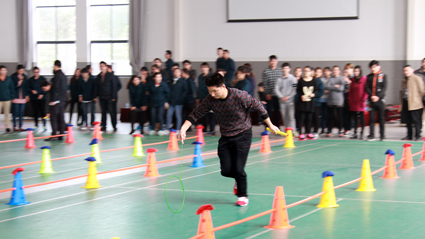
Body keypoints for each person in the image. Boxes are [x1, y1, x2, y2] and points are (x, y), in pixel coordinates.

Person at [178, 73, 279, 207]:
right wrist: (183, 129)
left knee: (238, 168)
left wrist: (270, 124)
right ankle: (237, 179)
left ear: (223, 86)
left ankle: (242, 195)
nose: (212, 94)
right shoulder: (210, 100)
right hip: (226, 136)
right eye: (210, 91)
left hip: (243, 134)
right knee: (225, 171)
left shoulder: (239, 95)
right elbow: (196, 113)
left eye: (215, 91)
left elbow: (259, 106)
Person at [400, 65, 424, 141]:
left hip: (415, 103)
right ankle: (409, 135)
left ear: (412, 70)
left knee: (416, 120)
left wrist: (418, 100)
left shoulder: (417, 78)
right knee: (408, 120)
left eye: (407, 70)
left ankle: (417, 135)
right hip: (406, 102)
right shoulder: (404, 80)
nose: (406, 72)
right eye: (404, 71)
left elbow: (422, 91)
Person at [365, 60, 387, 141]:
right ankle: (371, 135)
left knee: (381, 118)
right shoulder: (369, 77)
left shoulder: (383, 76)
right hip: (371, 100)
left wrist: (378, 96)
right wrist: (372, 96)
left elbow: (384, 88)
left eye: (375, 67)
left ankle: (382, 135)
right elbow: (367, 87)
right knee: (372, 118)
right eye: (371, 67)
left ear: (378, 66)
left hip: (380, 100)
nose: (373, 69)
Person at [45, 60, 67, 141]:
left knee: (53, 118)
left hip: (56, 101)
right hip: (63, 100)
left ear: (55, 66)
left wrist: (53, 100)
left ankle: (54, 134)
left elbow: (56, 89)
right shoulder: (64, 76)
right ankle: (61, 134)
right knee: (61, 118)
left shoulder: (56, 76)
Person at [94, 61, 117, 132]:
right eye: (100, 66)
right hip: (102, 97)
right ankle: (104, 125)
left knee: (111, 111)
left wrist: (114, 96)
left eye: (103, 66)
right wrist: (95, 96)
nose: (101, 67)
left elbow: (114, 86)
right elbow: (96, 87)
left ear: (106, 67)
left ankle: (114, 125)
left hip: (109, 97)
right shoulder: (98, 76)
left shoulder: (110, 75)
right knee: (103, 112)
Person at [296, 66, 318, 140]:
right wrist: (301, 95)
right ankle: (300, 133)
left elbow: (316, 90)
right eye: (304, 71)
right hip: (302, 102)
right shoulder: (301, 80)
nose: (306, 72)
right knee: (301, 118)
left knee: (309, 118)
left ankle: (308, 132)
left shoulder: (314, 80)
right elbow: (298, 90)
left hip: (310, 102)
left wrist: (313, 94)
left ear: (310, 72)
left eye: (307, 71)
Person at [274, 62, 297, 130]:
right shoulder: (279, 79)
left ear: (289, 69)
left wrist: (288, 97)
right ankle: (287, 130)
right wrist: (281, 97)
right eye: (284, 68)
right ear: (282, 69)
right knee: (284, 117)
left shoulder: (293, 78)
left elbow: (295, 89)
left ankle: (293, 131)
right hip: (282, 101)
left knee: (291, 116)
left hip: (290, 101)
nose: (285, 70)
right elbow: (276, 89)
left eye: (286, 68)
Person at [262, 55, 282, 128]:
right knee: (268, 111)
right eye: (272, 61)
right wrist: (267, 93)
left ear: (277, 62)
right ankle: (268, 127)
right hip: (270, 95)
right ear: (269, 62)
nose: (273, 62)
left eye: (275, 61)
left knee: (277, 111)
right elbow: (265, 83)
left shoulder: (280, 71)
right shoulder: (266, 71)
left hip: (278, 95)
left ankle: (277, 126)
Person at [348, 66, 368, 139]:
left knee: (361, 117)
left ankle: (362, 133)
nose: (356, 73)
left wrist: (364, 98)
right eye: (355, 71)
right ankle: (355, 133)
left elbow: (366, 90)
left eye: (357, 71)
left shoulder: (364, 79)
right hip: (353, 101)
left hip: (361, 101)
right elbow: (351, 90)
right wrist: (349, 99)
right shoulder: (353, 79)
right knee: (355, 118)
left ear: (360, 72)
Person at [326, 66, 345, 137]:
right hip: (330, 101)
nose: (335, 71)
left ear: (339, 71)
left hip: (339, 101)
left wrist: (333, 87)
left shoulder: (341, 78)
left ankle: (340, 130)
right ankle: (329, 130)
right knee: (330, 117)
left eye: (337, 70)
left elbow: (341, 89)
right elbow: (327, 87)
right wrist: (335, 86)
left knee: (339, 117)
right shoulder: (330, 78)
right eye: (334, 70)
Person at [197, 62, 216, 134]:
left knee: (212, 114)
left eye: (204, 67)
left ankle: (212, 129)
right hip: (202, 98)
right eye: (202, 67)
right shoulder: (200, 77)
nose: (203, 69)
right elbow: (199, 88)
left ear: (208, 68)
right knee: (204, 114)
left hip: (210, 97)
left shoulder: (211, 77)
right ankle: (204, 129)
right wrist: (198, 97)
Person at [166, 68, 188, 132]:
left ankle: (178, 129)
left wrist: (181, 98)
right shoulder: (171, 81)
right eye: (175, 72)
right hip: (171, 101)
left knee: (178, 116)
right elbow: (168, 91)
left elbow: (185, 90)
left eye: (178, 72)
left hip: (179, 102)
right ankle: (167, 128)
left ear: (180, 73)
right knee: (169, 115)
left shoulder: (183, 81)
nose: (176, 73)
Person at [28, 66, 48, 131]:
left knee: (43, 112)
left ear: (39, 72)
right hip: (34, 99)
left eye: (37, 72)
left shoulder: (43, 79)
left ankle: (44, 125)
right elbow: (28, 88)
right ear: (33, 72)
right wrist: (31, 91)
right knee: (35, 112)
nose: (36, 73)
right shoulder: (30, 80)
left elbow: (46, 88)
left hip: (42, 99)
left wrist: (42, 94)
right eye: (35, 72)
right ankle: (36, 125)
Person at [11, 65, 29, 132]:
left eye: (23, 70)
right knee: (15, 112)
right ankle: (15, 126)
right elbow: (13, 87)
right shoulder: (13, 76)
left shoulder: (25, 76)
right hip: (15, 97)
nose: (22, 72)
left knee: (21, 113)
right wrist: (20, 81)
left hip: (23, 97)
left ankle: (20, 126)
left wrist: (27, 95)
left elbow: (26, 86)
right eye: (20, 70)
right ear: (17, 70)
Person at [0, 65, 15, 133]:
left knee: (7, 114)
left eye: (5, 70)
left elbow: (12, 88)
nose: (4, 71)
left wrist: (12, 97)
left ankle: (7, 127)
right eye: (2, 70)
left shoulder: (9, 79)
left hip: (7, 99)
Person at [312, 67, 324, 136]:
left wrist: (314, 95)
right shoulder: (311, 80)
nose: (317, 73)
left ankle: (316, 131)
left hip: (316, 102)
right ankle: (309, 131)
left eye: (319, 72)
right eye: (316, 71)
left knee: (316, 117)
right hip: (309, 102)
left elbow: (321, 92)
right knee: (310, 117)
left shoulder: (320, 82)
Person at [319, 67, 331, 134]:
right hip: (322, 100)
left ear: (330, 72)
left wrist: (328, 90)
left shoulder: (331, 79)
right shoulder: (321, 80)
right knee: (322, 115)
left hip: (329, 100)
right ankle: (322, 128)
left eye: (327, 71)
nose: (326, 72)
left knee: (328, 115)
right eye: (325, 71)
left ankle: (329, 129)